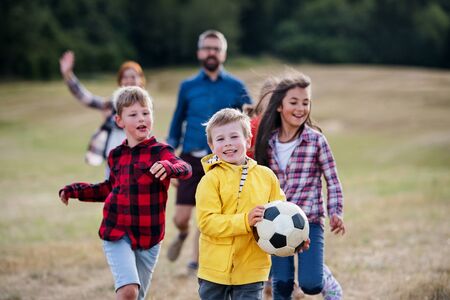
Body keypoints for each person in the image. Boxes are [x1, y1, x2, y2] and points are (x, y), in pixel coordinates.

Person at [58, 86, 192, 300]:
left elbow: (185, 168)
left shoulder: (161, 151)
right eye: (133, 114)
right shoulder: (116, 155)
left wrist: (168, 167)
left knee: (137, 296)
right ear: (119, 121)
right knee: (128, 291)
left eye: (146, 113)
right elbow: (108, 188)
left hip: (149, 237)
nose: (141, 118)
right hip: (116, 230)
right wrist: (75, 190)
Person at [195, 108, 309, 300]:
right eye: (220, 139)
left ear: (248, 140)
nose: (228, 143)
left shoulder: (266, 177)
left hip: (252, 270)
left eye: (234, 136)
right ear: (211, 145)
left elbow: (282, 215)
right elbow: (207, 223)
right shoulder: (210, 181)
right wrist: (245, 221)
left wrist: (295, 238)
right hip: (214, 271)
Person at [166, 29, 252, 274]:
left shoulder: (237, 86)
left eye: (216, 48)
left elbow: (248, 121)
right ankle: (182, 234)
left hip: (221, 159)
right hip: (191, 157)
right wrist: (170, 157)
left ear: (223, 54)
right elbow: (176, 121)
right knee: (181, 217)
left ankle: (196, 261)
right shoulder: (187, 86)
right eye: (207, 48)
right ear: (199, 52)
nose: (211, 52)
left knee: (210, 212)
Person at [254, 71, 346, 300]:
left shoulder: (316, 140)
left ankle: (325, 278)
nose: (300, 108)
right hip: (275, 223)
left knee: (310, 284)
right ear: (279, 106)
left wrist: (336, 212)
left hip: (310, 221)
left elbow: (332, 180)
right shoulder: (268, 141)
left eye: (305, 103)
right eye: (293, 102)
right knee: (281, 286)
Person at [59, 50, 146, 170]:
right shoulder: (112, 104)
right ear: (120, 82)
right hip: (113, 164)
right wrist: (68, 75)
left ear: (141, 80)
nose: (129, 80)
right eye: (125, 77)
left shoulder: (146, 106)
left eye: (133, 77)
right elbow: (86, 98)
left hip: (136, 164)